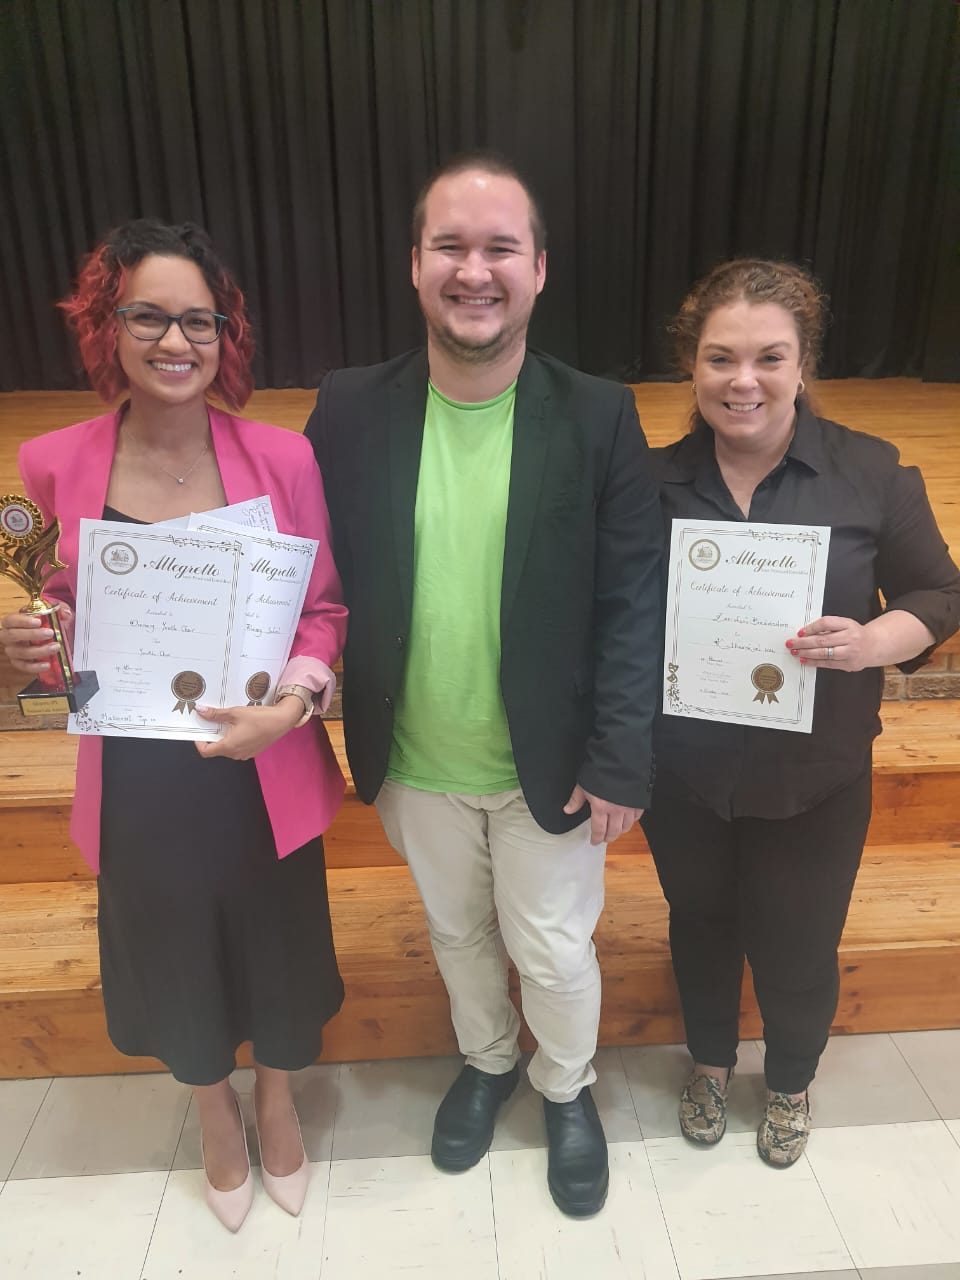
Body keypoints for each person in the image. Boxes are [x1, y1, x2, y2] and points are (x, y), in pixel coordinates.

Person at [305, 153, 663, 1217]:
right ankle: (489, 1058)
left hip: (552, 760)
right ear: (414, 263)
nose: (475, 270)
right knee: (458, 934)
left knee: (551, 947)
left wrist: (622, 754)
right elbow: (298, 562)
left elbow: (633, 601)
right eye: (450, 246)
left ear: (539, 268)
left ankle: (565, 1084)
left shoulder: (597, 413)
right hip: (413, 752)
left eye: (500, 247)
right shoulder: (348, 408)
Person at [0, 220, 348, 1230]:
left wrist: (290, 706)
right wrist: (30, 649)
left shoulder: (283, 456)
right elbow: (55, 634)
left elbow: (324, 609)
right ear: (106, 326)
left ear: (224, 334)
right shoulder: (48, 463)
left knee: (278, 939)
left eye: (199, 320)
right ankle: (214, 1110)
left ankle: (276, 1097)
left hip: (261, 757)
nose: (174, 340)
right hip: (137, 771)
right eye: (148, 316)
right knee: (170, 943)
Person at [642, 258, 960, 1167]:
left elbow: (939, 594)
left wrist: (871, 641)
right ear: (692, 365)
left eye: (769, 358)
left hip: (815, 773)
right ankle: (709, 1065)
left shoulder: (871, 473)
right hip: (684, 773)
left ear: (803, 362)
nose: (743, 381)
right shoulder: (649, 482)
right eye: (720, 358)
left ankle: (788, 1082)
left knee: (800, 941)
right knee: (699, 925)